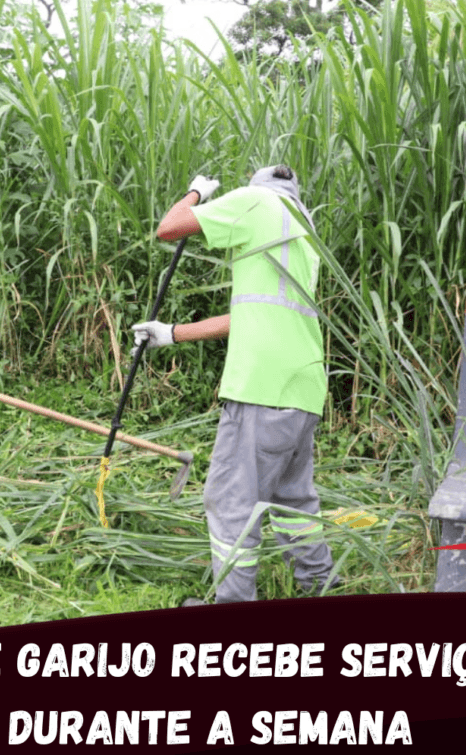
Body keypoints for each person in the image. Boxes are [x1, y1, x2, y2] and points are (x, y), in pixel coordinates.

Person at [131, 165, 336, 601]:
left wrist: (195, 193)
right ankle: (321, 587)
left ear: (258, 186)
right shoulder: (302, 233)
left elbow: (169, 229)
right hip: (304, 389)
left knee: (230, 503)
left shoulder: (254, 201)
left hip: (261, 387)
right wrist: (172, 333)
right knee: (293, 501)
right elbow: (253, 314)